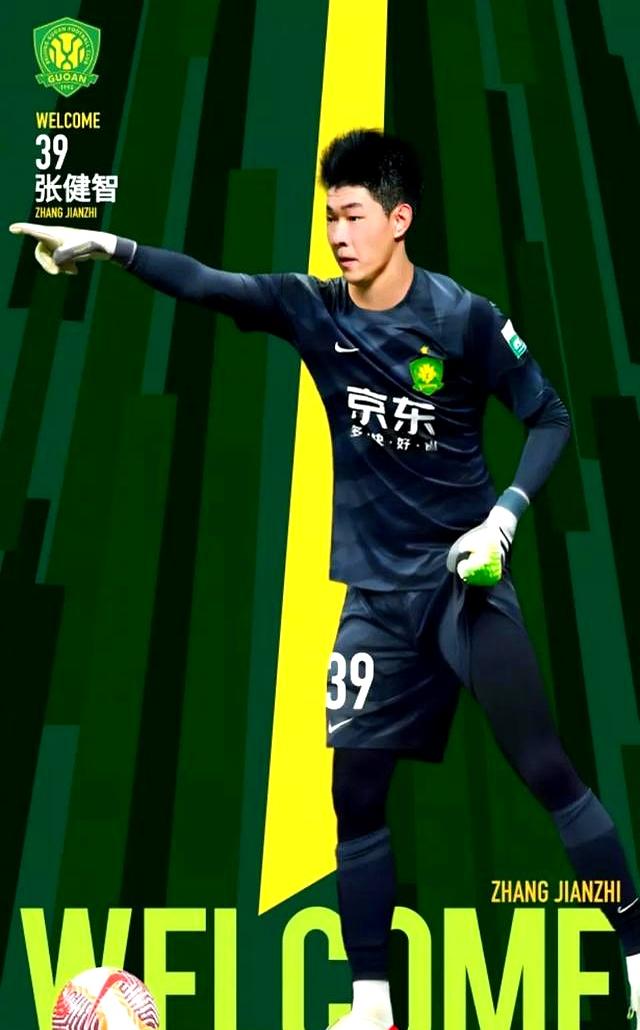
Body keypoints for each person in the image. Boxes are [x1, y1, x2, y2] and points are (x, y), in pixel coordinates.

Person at [10, 128, 640, 1030]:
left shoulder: (463, 318)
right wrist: (109, 245)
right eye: (330, 218)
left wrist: (502, 517)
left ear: (399, 219)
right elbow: (211, 284)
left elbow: (550, 417)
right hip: (376, 604)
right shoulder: (315, 311)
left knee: (547, 770)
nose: (338, 235)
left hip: (461, 587)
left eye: (353, 216)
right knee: (355, 800)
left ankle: (639, 959)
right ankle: (373, 1005)